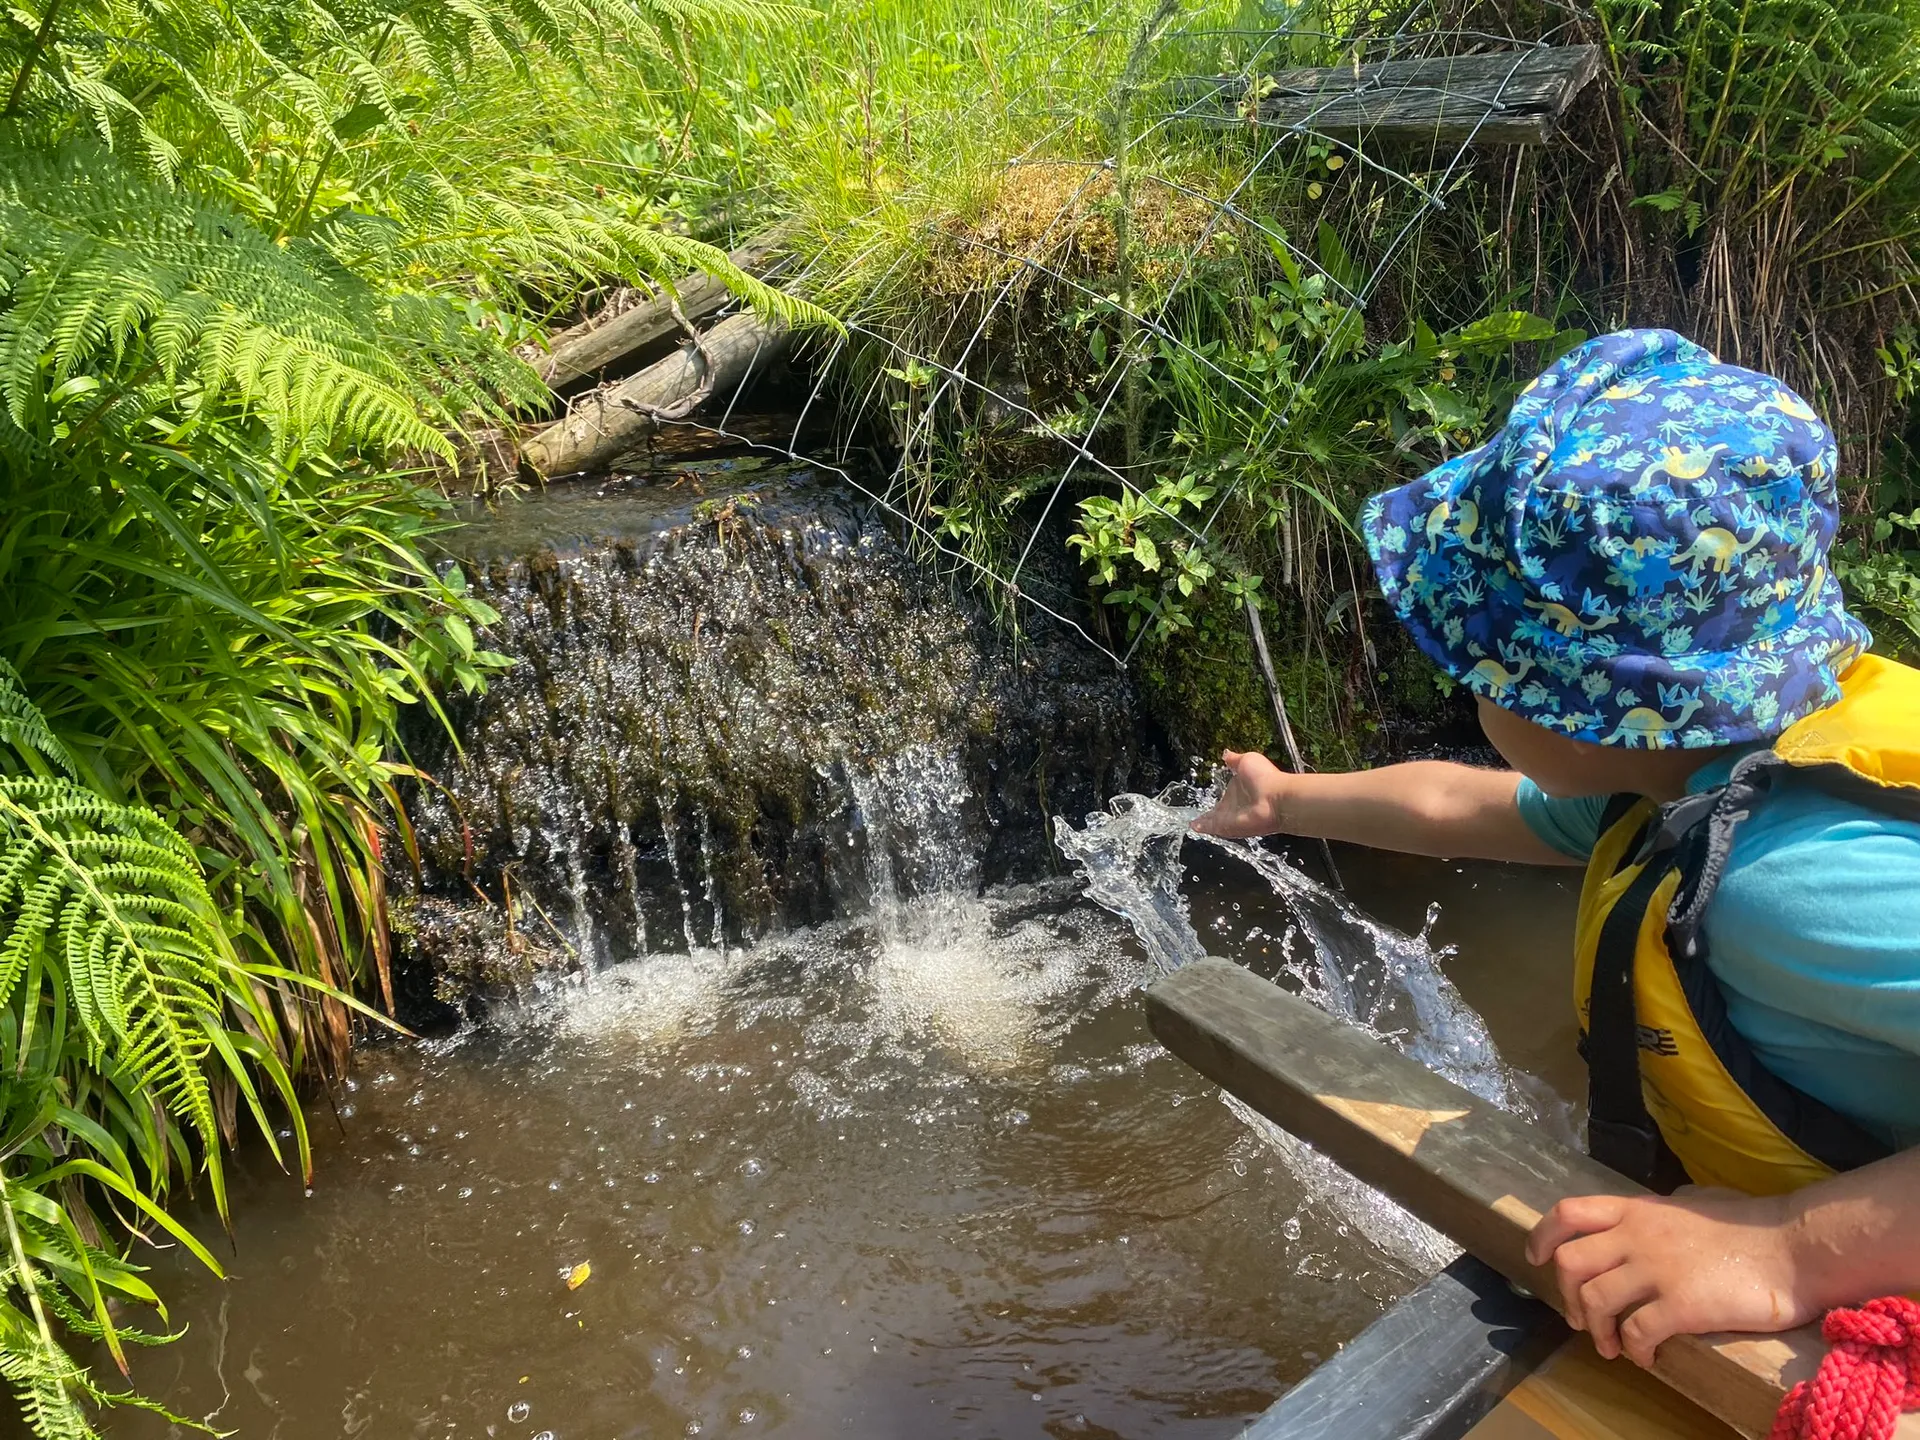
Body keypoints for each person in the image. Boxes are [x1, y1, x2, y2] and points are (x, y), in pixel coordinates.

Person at [1192, 329, 1920, 1371]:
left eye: (1482, 668)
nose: (1469, 692)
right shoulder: (1689, 775)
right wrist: (1284, 800)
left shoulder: (1784, 884)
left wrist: (1787, 1250)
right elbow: (1456, 803)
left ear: (1588, 703)